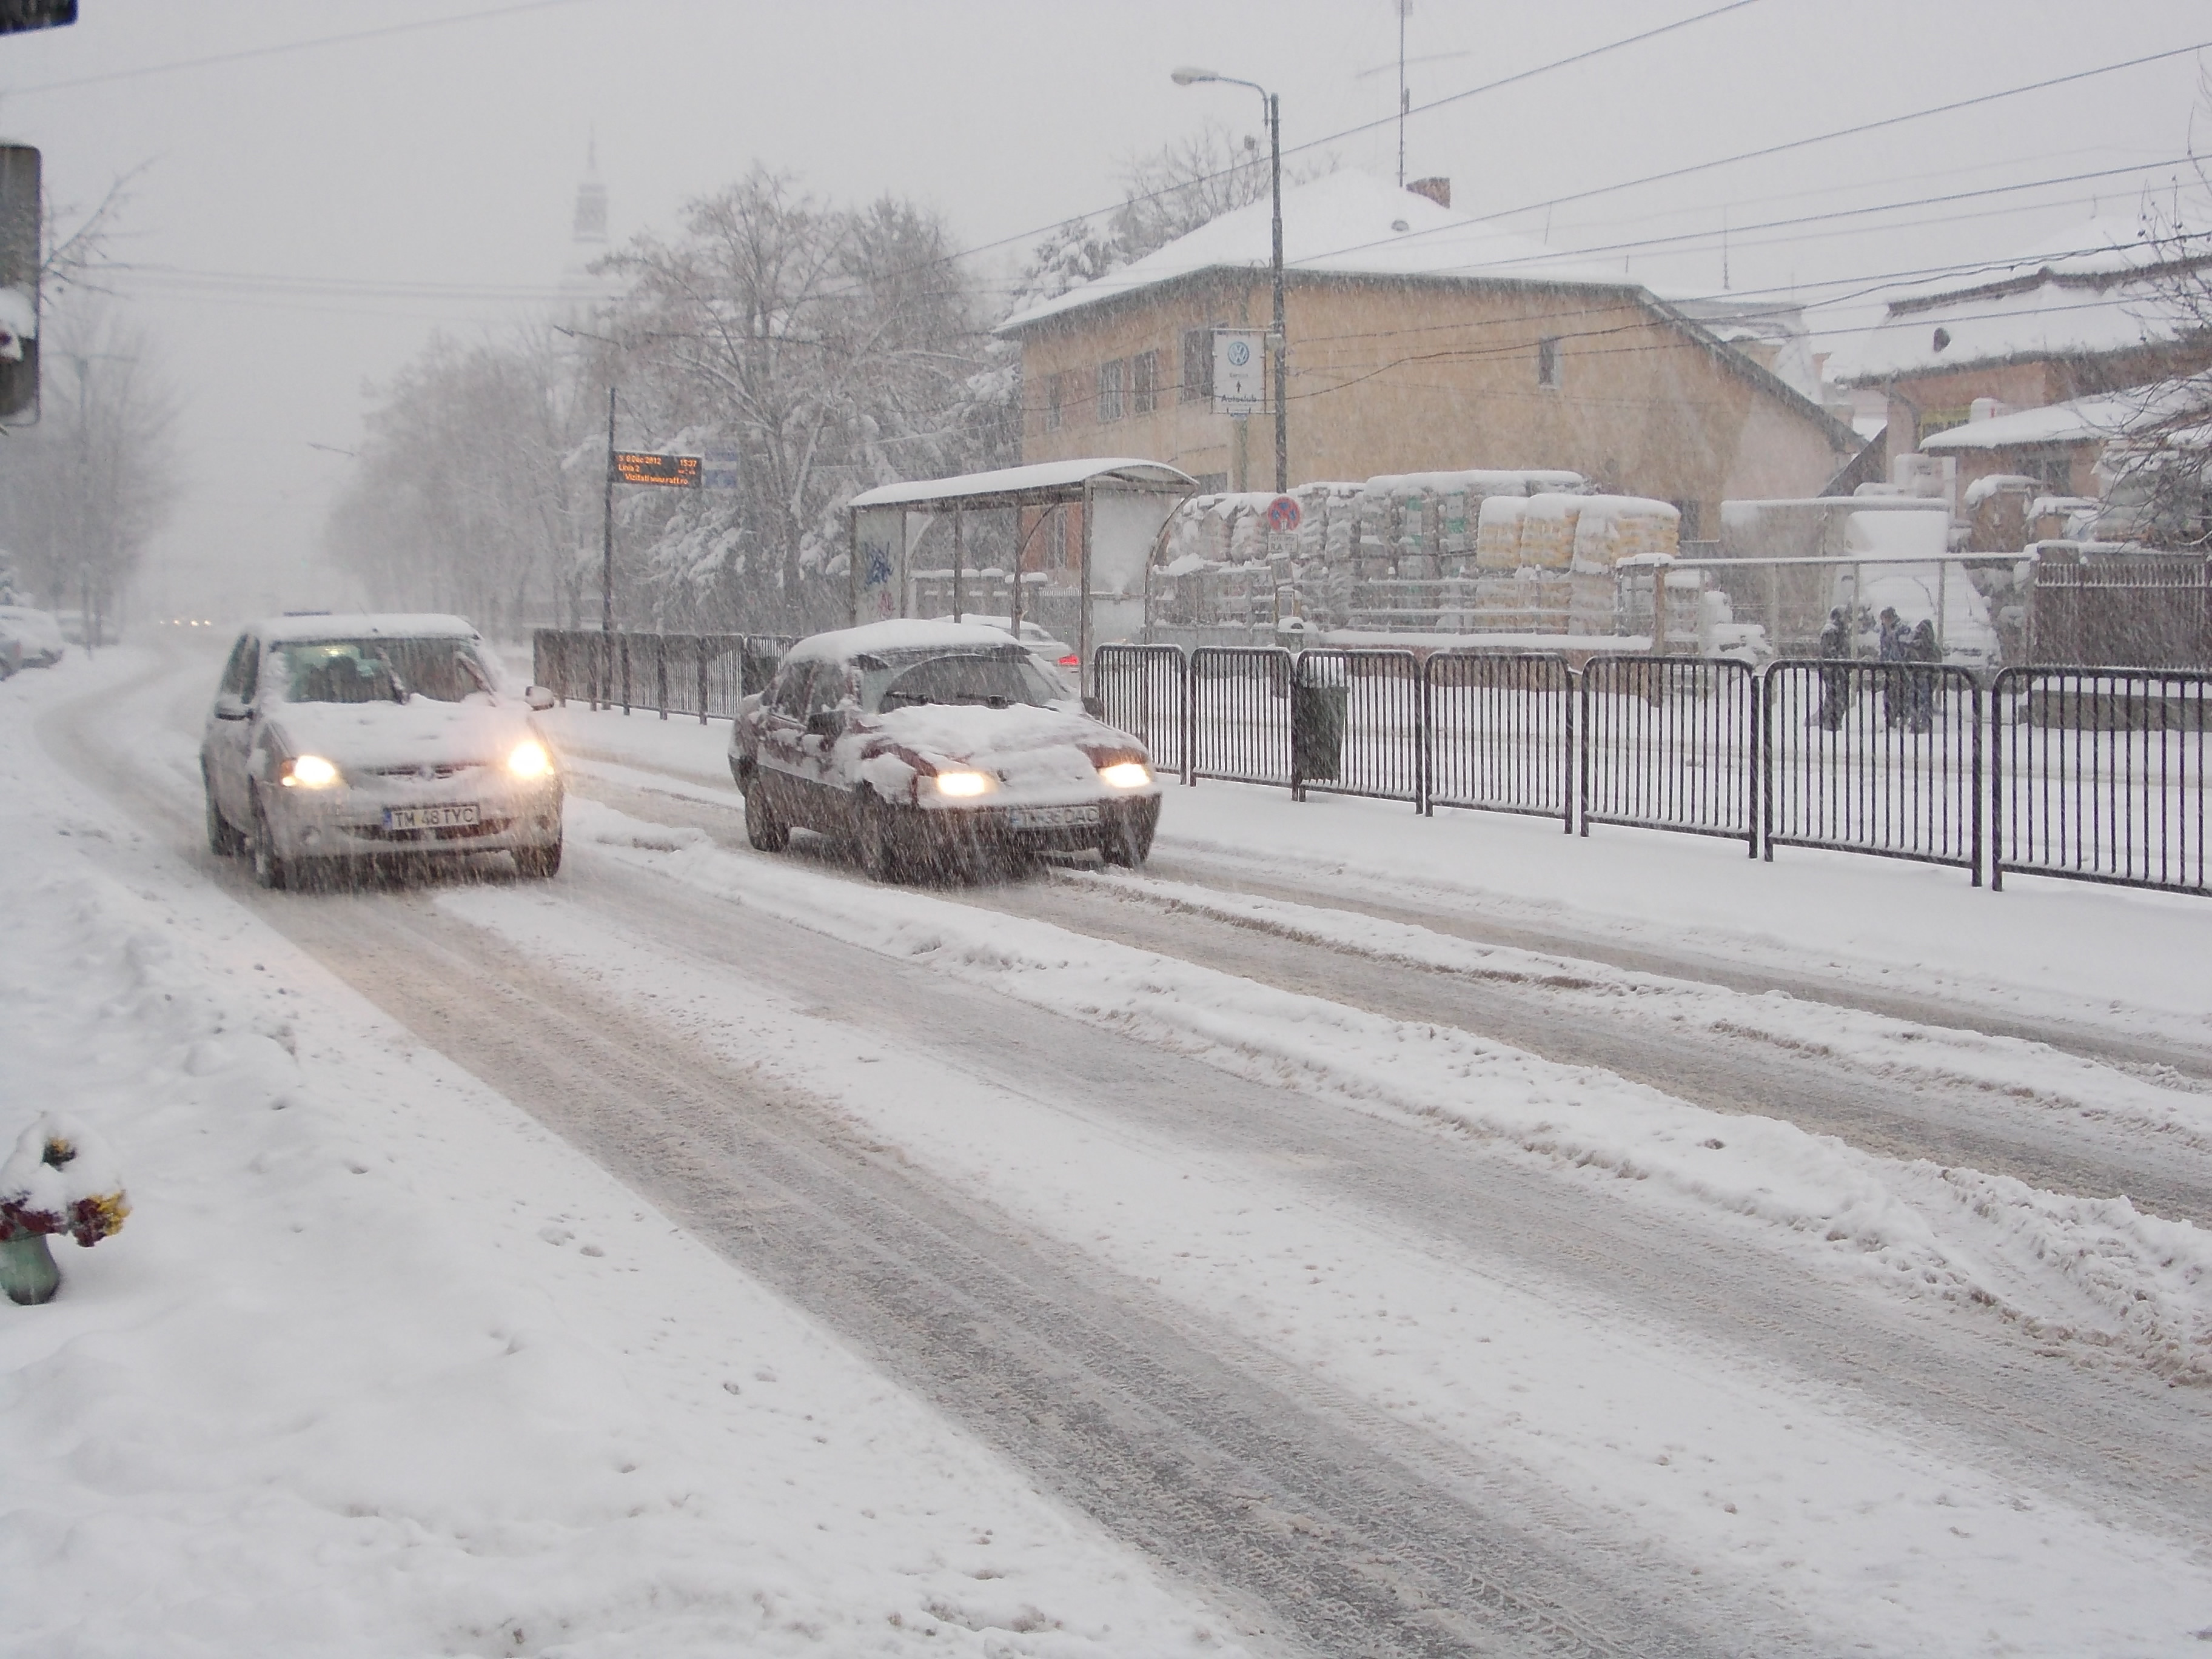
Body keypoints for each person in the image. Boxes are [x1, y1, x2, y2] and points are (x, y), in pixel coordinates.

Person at [1814, 606, 1850, 730]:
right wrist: (1840, 662)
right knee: (1835, 696)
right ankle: (1831, 722)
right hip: (1834, 671)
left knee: (1837, 696)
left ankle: (1833, 721)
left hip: (1838, 671)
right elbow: (1830, 652)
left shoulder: (1839, 631)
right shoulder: (1831, 631)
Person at [1905, 618, 1940, 734]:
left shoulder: (1927, 646)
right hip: (1921, 678)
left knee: (1918, 700)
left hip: (1921, 678)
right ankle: (1920, 722)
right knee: (1921, 701)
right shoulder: (1928, 646)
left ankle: (1920, 722)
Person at [1876, 607, 1906, 728]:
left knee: (1900, 694)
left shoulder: (1900, 630)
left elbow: (1900, 648)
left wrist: (1897, 661)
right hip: (1889, 668)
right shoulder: (1885, 631)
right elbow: (1885, 648)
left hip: (1899, 667)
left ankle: (1901, 718)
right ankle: (1890, 719)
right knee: (1889, 694)